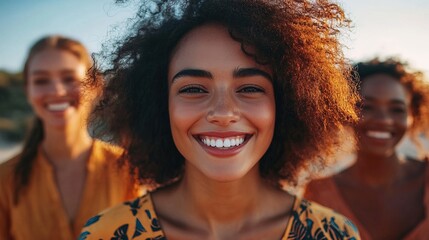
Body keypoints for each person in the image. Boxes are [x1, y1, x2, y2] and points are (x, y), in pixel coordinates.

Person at [80, 0, 361, 239]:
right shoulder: (107, 233)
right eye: (193, 89)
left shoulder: (332, 234)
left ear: (286, 105)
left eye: (250, 88)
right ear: (158, 104)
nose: (224, 112)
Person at [0, 35, 141, 240]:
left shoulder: (129, 169)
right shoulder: (5, 179)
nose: (57, 91)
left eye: (69, 79)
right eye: (41, 81)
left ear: (94, 86)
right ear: (28, 90)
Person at [304, 58, 429, 239]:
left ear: (413, 116)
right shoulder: (318, 195)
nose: (383, 120)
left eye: (397, 109)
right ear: (344, 112)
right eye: (366, 107)